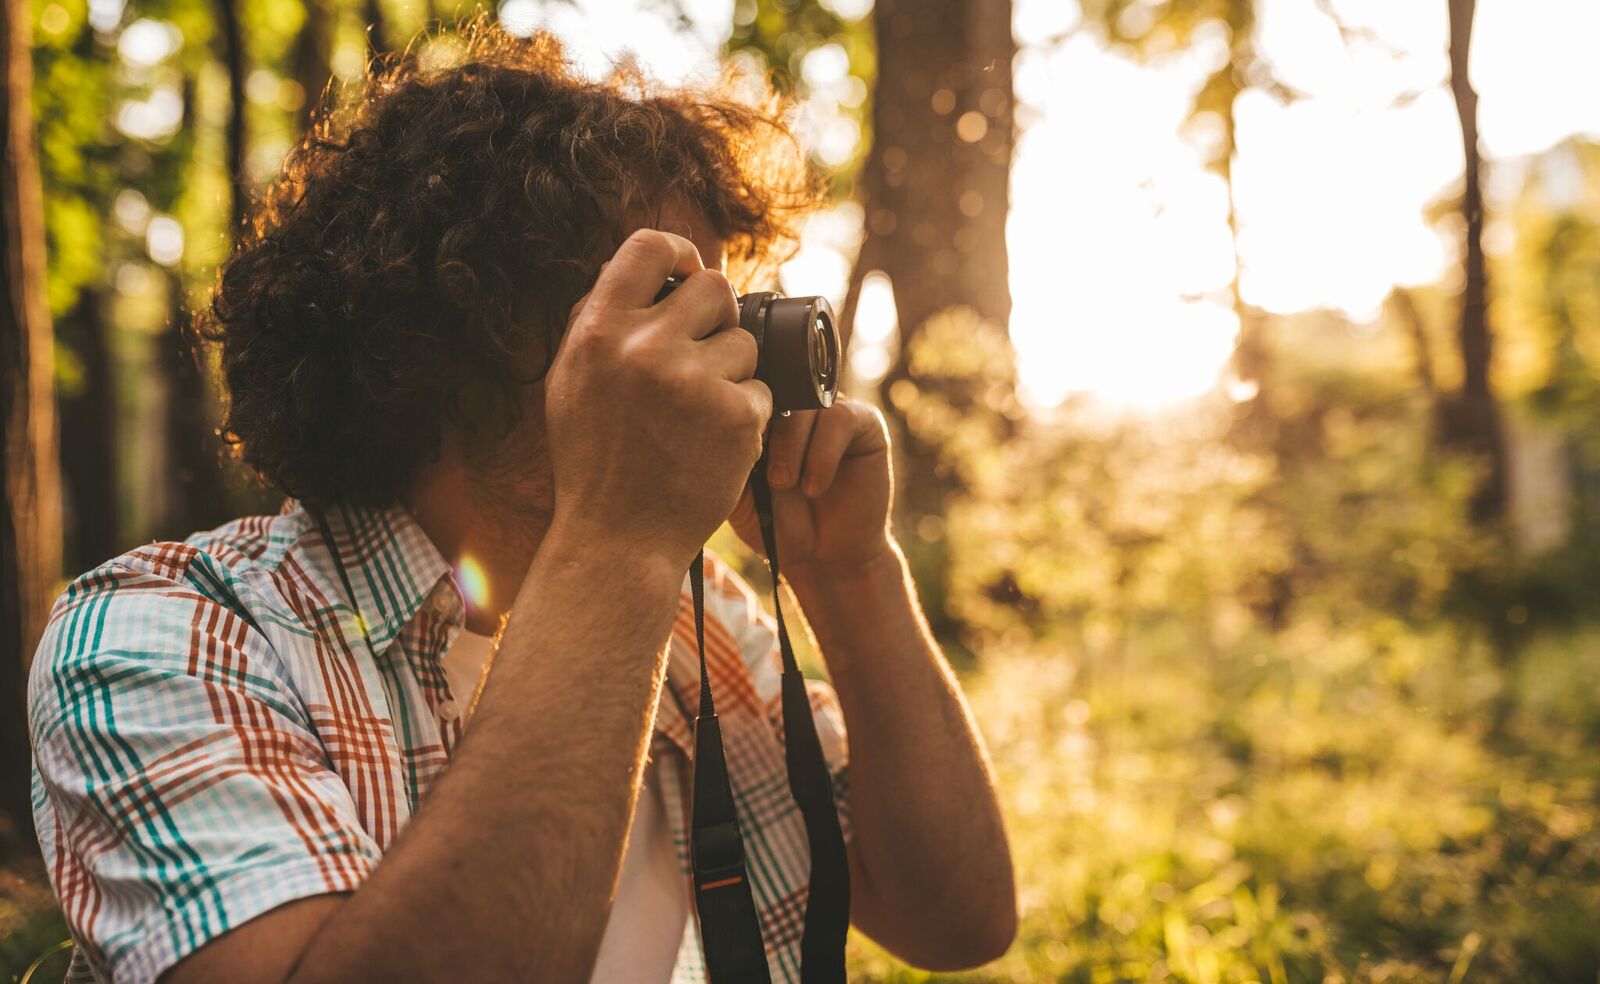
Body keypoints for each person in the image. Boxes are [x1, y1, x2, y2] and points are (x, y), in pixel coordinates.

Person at [27, 22, 1015, 984]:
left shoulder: (700, 623)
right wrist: (619, 543)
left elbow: (956, 919)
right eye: (671, 296)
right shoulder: (169, 636)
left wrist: (848, 573)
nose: (735, 354)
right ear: (476, 322)